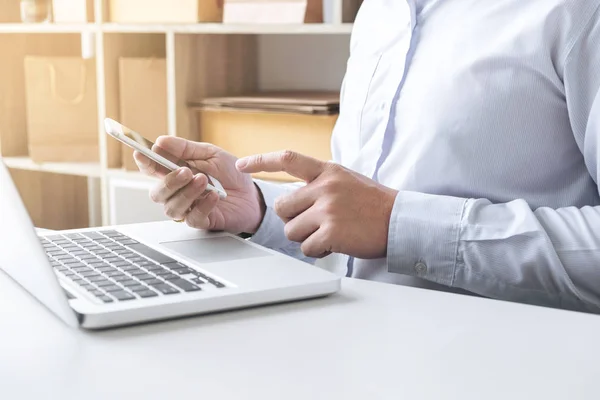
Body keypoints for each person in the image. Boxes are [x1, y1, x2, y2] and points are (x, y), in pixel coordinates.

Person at [135, 0, 600, 313]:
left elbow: (381, 218)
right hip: (356, 351)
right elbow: (358, 222)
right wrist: (256, 209)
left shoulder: (578, 14)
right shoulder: (380, 11)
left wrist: (400, 223)